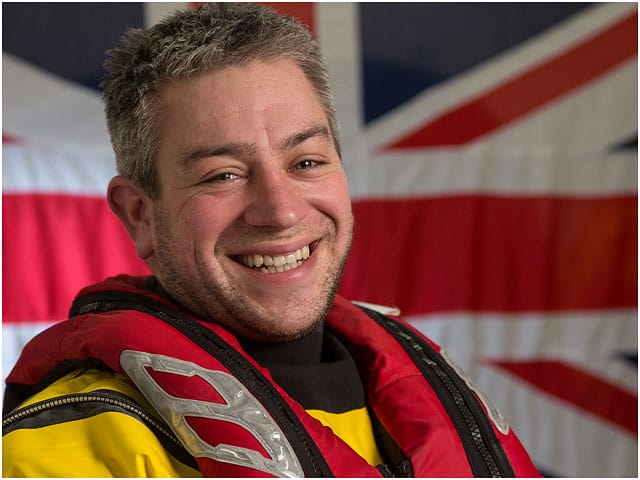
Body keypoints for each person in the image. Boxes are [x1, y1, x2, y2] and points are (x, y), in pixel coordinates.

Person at [3, 4, 540, 477]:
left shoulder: (444, 392)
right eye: (223, 175)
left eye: (306, 162)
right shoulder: (68, 453)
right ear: (140, 213)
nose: (281, 211)